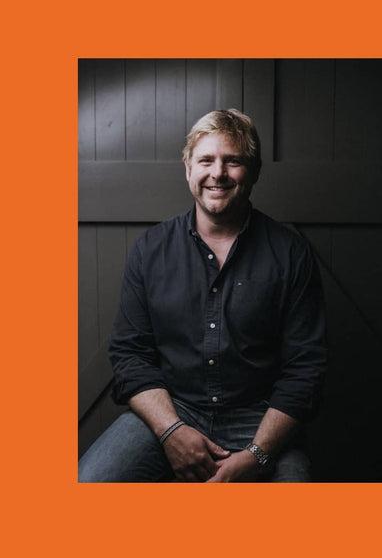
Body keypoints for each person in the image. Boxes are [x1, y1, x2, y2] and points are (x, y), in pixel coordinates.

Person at [79, 109, 327, 482]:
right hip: (171, 410)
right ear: (188, 170)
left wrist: (257, 455)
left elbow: (306, 370)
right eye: (206, 160)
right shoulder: (151, 249)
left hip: (259, 418)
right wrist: (171, 431)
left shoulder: (291, 253)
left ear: (254, 171)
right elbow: (130, 355)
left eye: (233, 161)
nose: (218, 173)